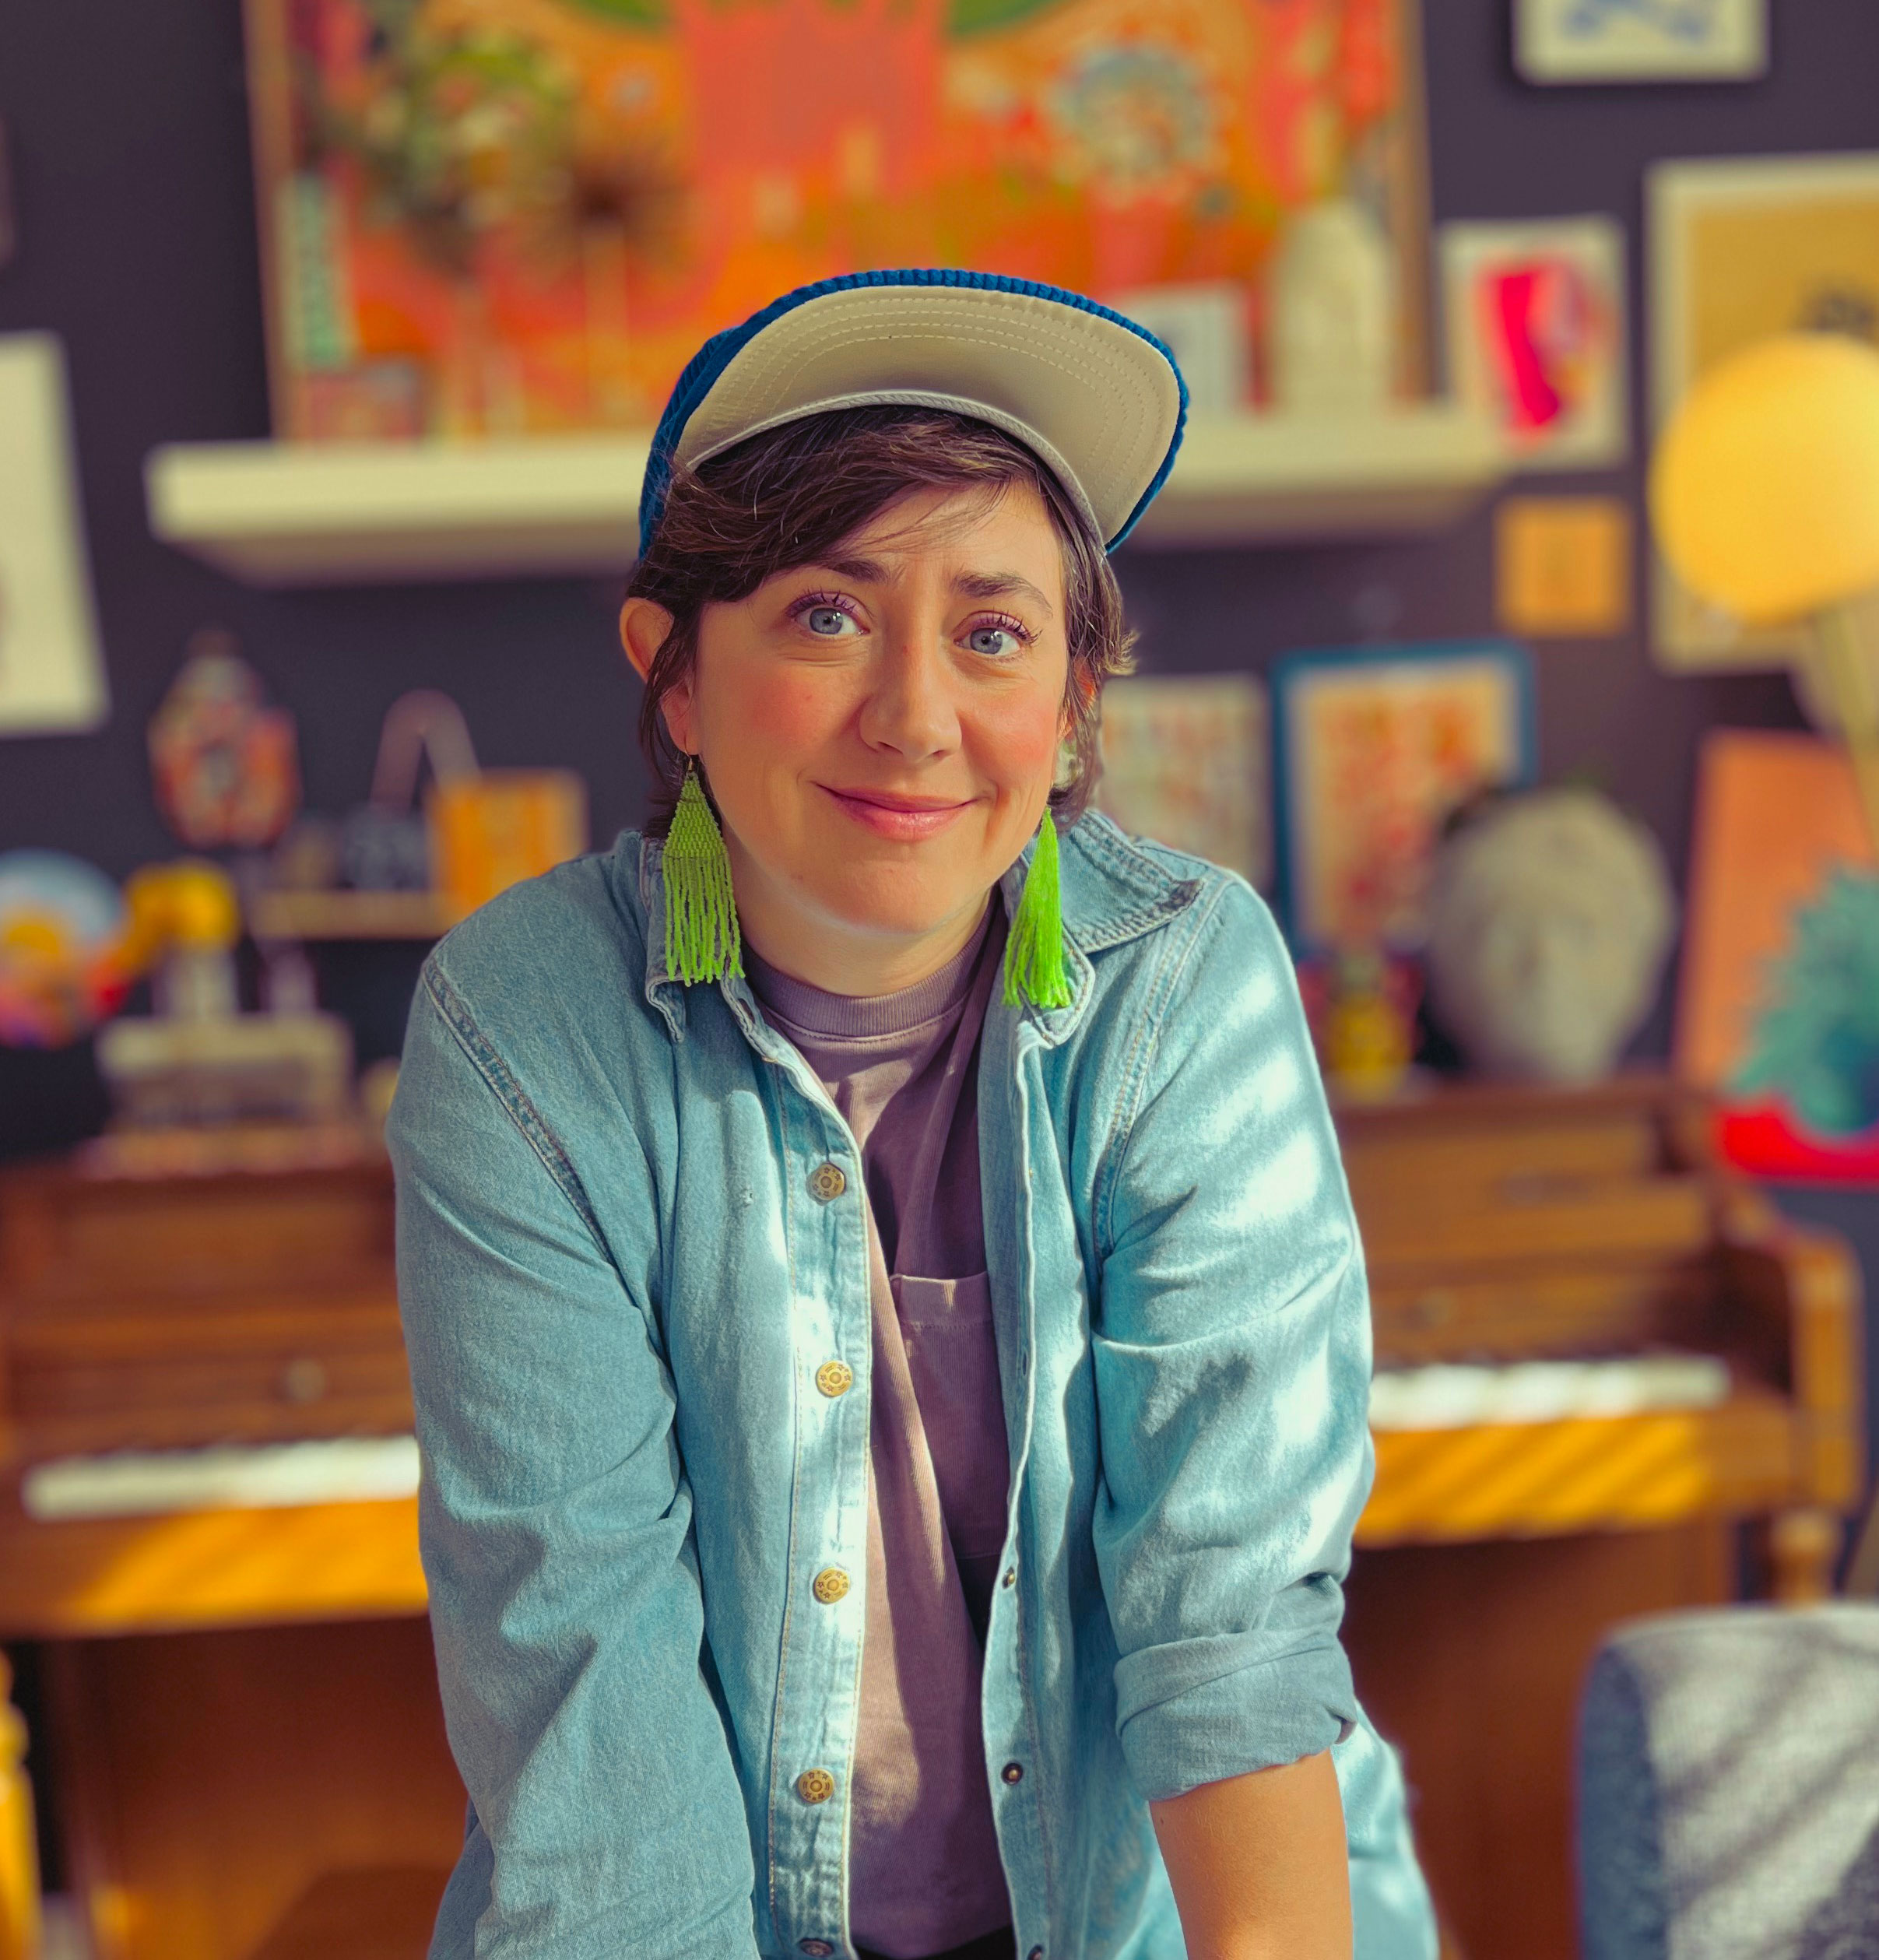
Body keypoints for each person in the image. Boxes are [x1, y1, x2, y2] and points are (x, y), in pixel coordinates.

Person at [387, 268, 1438, 1960]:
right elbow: (584, 1681)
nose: (916, 714)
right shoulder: (524, 1026)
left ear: (1075, 701)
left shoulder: (1182, 985)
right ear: (671, 672)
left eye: (993, 631)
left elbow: (1225, 1619)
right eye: (825, 613)